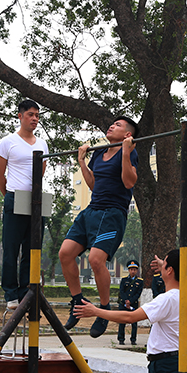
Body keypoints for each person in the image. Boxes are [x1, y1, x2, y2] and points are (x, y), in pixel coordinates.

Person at [60, 116, 139, 337]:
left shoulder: (131, 152)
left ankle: (104, 309)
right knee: (65, 253)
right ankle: (77, 303)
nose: (112, 125)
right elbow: (94, 184)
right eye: (112, 123)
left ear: (127, 135)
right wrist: (82, 162)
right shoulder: (99, 152)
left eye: (118, 125)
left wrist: (125, 152)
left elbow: (129, 182)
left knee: (96, 259)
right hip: (92, 210)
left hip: (112, 213)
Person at [0, 99, 49, 309]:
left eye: (37, 115)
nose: (34, 118)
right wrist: (9, 196)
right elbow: (0, 175)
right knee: (11, 248)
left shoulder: (42, 144)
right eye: (30, 114)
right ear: (20, 116)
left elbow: (41, 173)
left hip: (35, 200)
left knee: (32, 247)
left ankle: (26, 290)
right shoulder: (7, 142)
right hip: (14, 197)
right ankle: (10, 293)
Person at [117, 259, 143, 345]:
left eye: (134, 270)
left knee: (134, 323)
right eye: (131, 269)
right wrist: (126, 301)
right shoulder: (124, 280)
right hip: (123, 304)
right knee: (122, 322)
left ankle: (133, 339)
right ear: (128, 270)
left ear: (137, 270)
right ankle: (121, 339)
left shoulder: (140, 281)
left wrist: (130, 302)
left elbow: (138, 293)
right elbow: (122, 291)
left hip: (133, 305)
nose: (133, 271)